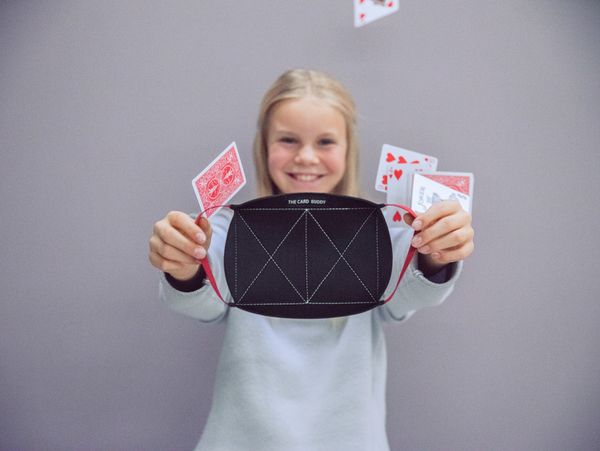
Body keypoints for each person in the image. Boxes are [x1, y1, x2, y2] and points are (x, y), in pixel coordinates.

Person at [148, 69, 474, 451]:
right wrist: (183, 268)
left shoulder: (387, 230)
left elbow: (411, 295)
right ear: (263, 146)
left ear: (348, 150)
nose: (306, 157)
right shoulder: (223, 227)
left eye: (325, 142)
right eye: (288, 140)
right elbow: (203, 303)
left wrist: (437, 255)